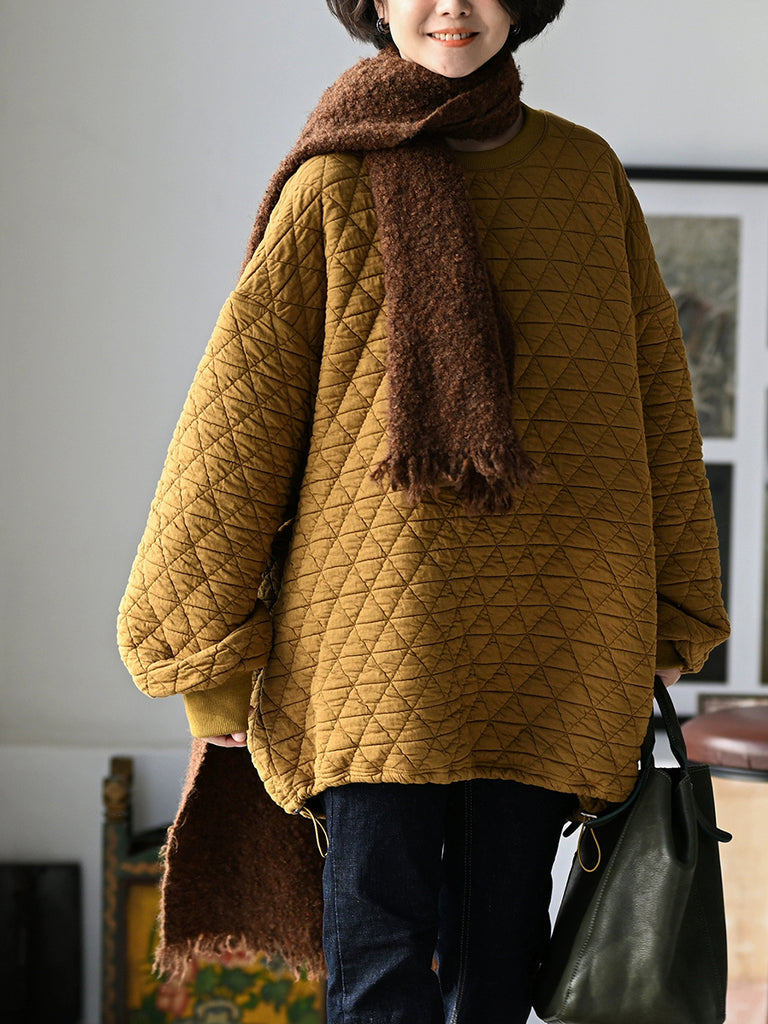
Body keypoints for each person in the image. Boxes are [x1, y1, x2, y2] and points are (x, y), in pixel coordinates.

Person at [117, 2, 730, 1022]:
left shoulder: (586, 178)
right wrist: (208, 660)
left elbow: (656, 404)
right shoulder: (332, 182)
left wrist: (674, 617)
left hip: (550, 644)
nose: (452, 4)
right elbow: (237, 422)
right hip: (377, 653)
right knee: (381, 974)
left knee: (498, 975)